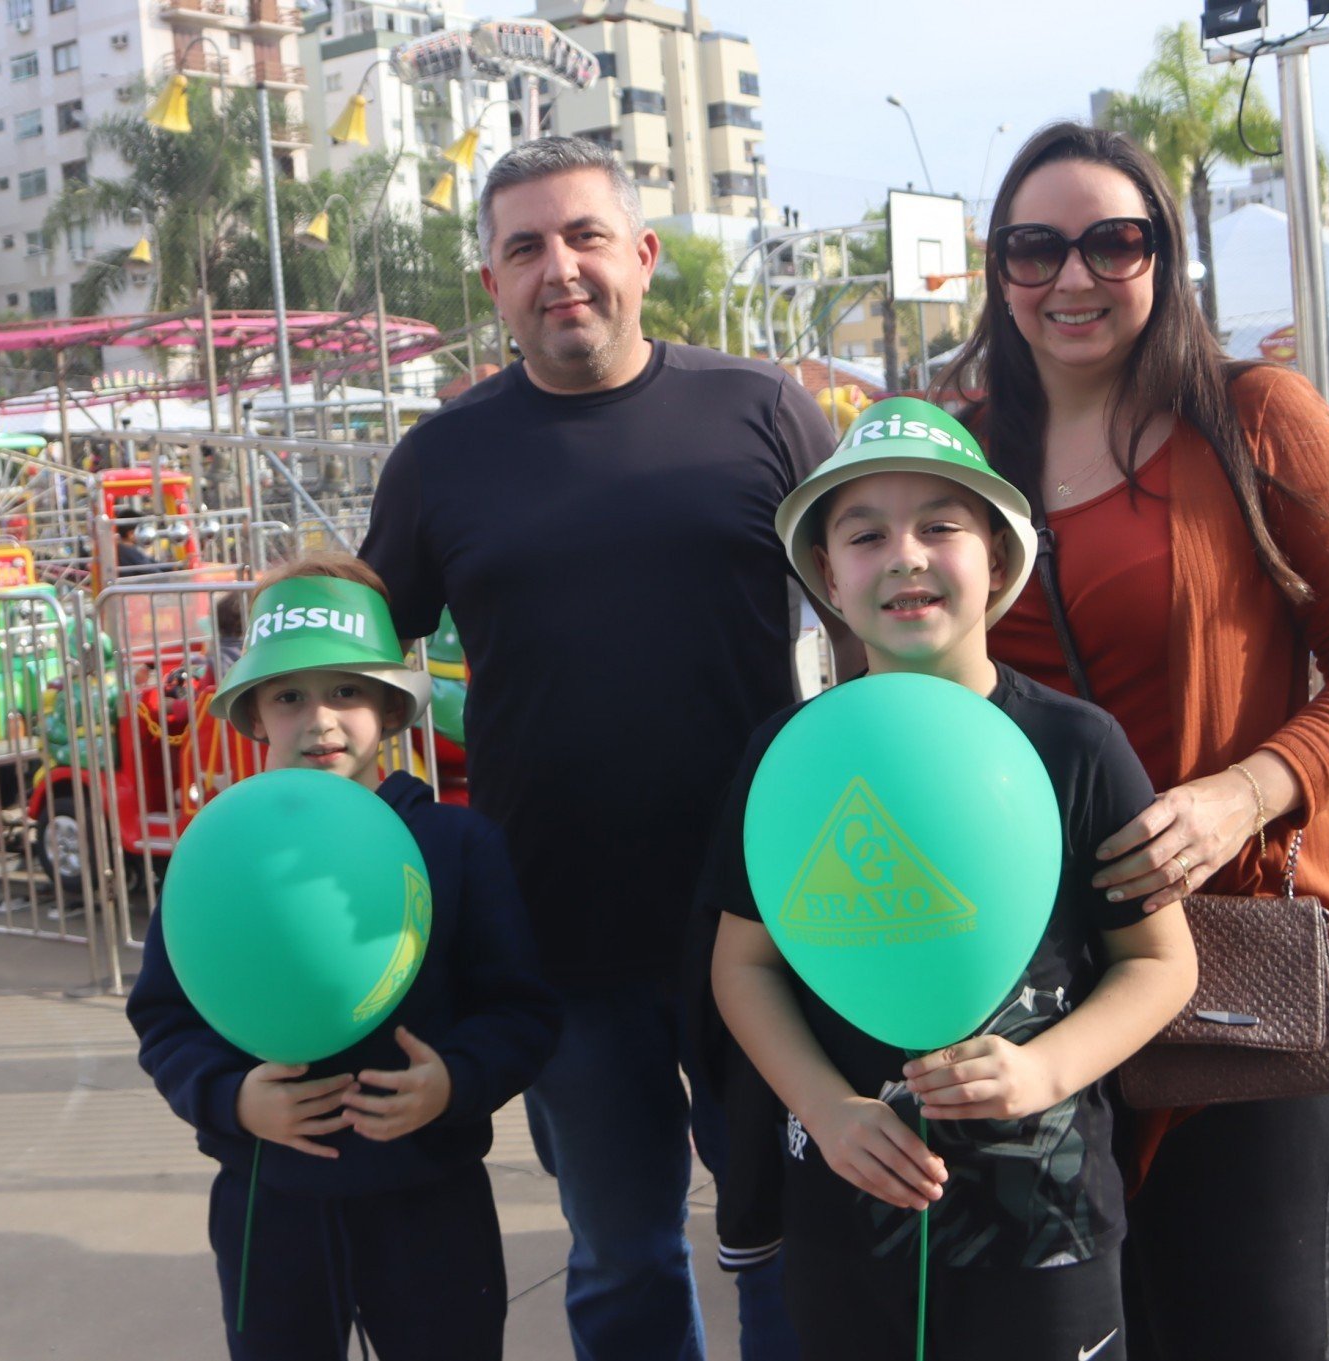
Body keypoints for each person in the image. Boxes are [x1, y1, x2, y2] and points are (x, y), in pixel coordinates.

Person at [940, 122, 1329, 1359]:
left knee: (1246, 1331)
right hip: (1039, 979)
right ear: (997, 270)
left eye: (1115, 242)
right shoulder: (957, 451)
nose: (1073, 277)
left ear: (1164, 257)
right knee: (1094, 1331)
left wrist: (1245, 791)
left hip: (1244, 965)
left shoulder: (1254, 419)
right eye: (1034, 247)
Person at [360, 135, 843, 1361]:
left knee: (786, 1234)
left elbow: (882, 613)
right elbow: (356, 666)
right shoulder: (441, 461)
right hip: (560, 937)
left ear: (642, 255)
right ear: (493, 286)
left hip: (768, 920)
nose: (558, 268)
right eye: (524, 247)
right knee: (620, 1250)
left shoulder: (764, 411)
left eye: (583, 237)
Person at [709, 401, 1197, 1360]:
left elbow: (1161, 962)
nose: (905, 554)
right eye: (864, 534)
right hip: (849, 1222)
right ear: (828, 581)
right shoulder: (790, 756)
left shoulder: (1074, 745)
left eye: (941, 524)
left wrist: (1043, 1068)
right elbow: (743, 966)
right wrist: (824, 1107)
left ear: (1000, 561)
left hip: (1043, 1228)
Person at [127, 549, 559, 1361]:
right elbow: (164, 1017)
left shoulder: (458, 846)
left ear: (392, 709)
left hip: (429, 1197)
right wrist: (230, 1098)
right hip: (269, 1198)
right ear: (254, 714)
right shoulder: (217, 855)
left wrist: (454, 1080)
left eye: (346, 690)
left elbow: (522, 1012)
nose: (319, 718)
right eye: (289, 695)